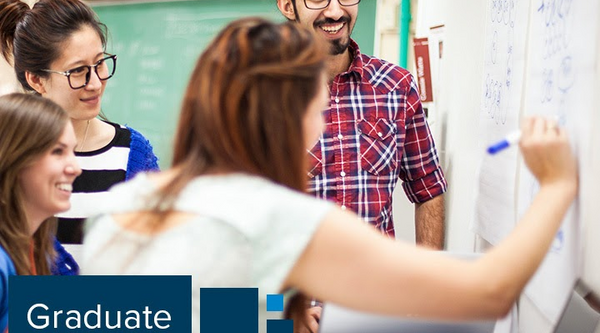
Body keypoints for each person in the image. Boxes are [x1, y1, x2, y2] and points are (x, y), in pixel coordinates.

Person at [81, 18, 578, 333]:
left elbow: (166, 311)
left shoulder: (121, 206)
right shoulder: (279, 219)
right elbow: (490, 290)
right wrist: (555, 186)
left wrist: (272, 316)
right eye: (317, 114)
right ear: (290, 116)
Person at [276, 0, 447, 248]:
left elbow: (429, 189)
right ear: (287, 6)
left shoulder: (396, 87)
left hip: (377, 282)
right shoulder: (261, 94)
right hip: (295, 283)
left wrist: (428, 280)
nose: (335, 11)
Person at [0, 0, 159, 252]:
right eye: (78, 71)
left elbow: (157, 261)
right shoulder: (11, 160)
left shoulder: (134, 154)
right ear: (36, 79)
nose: (95, 83)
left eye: (99, 63)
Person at [0, 93, 82, 332]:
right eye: (58, 151)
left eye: (73, 151)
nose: (75, 168)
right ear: (13, 157)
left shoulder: (34, 247)